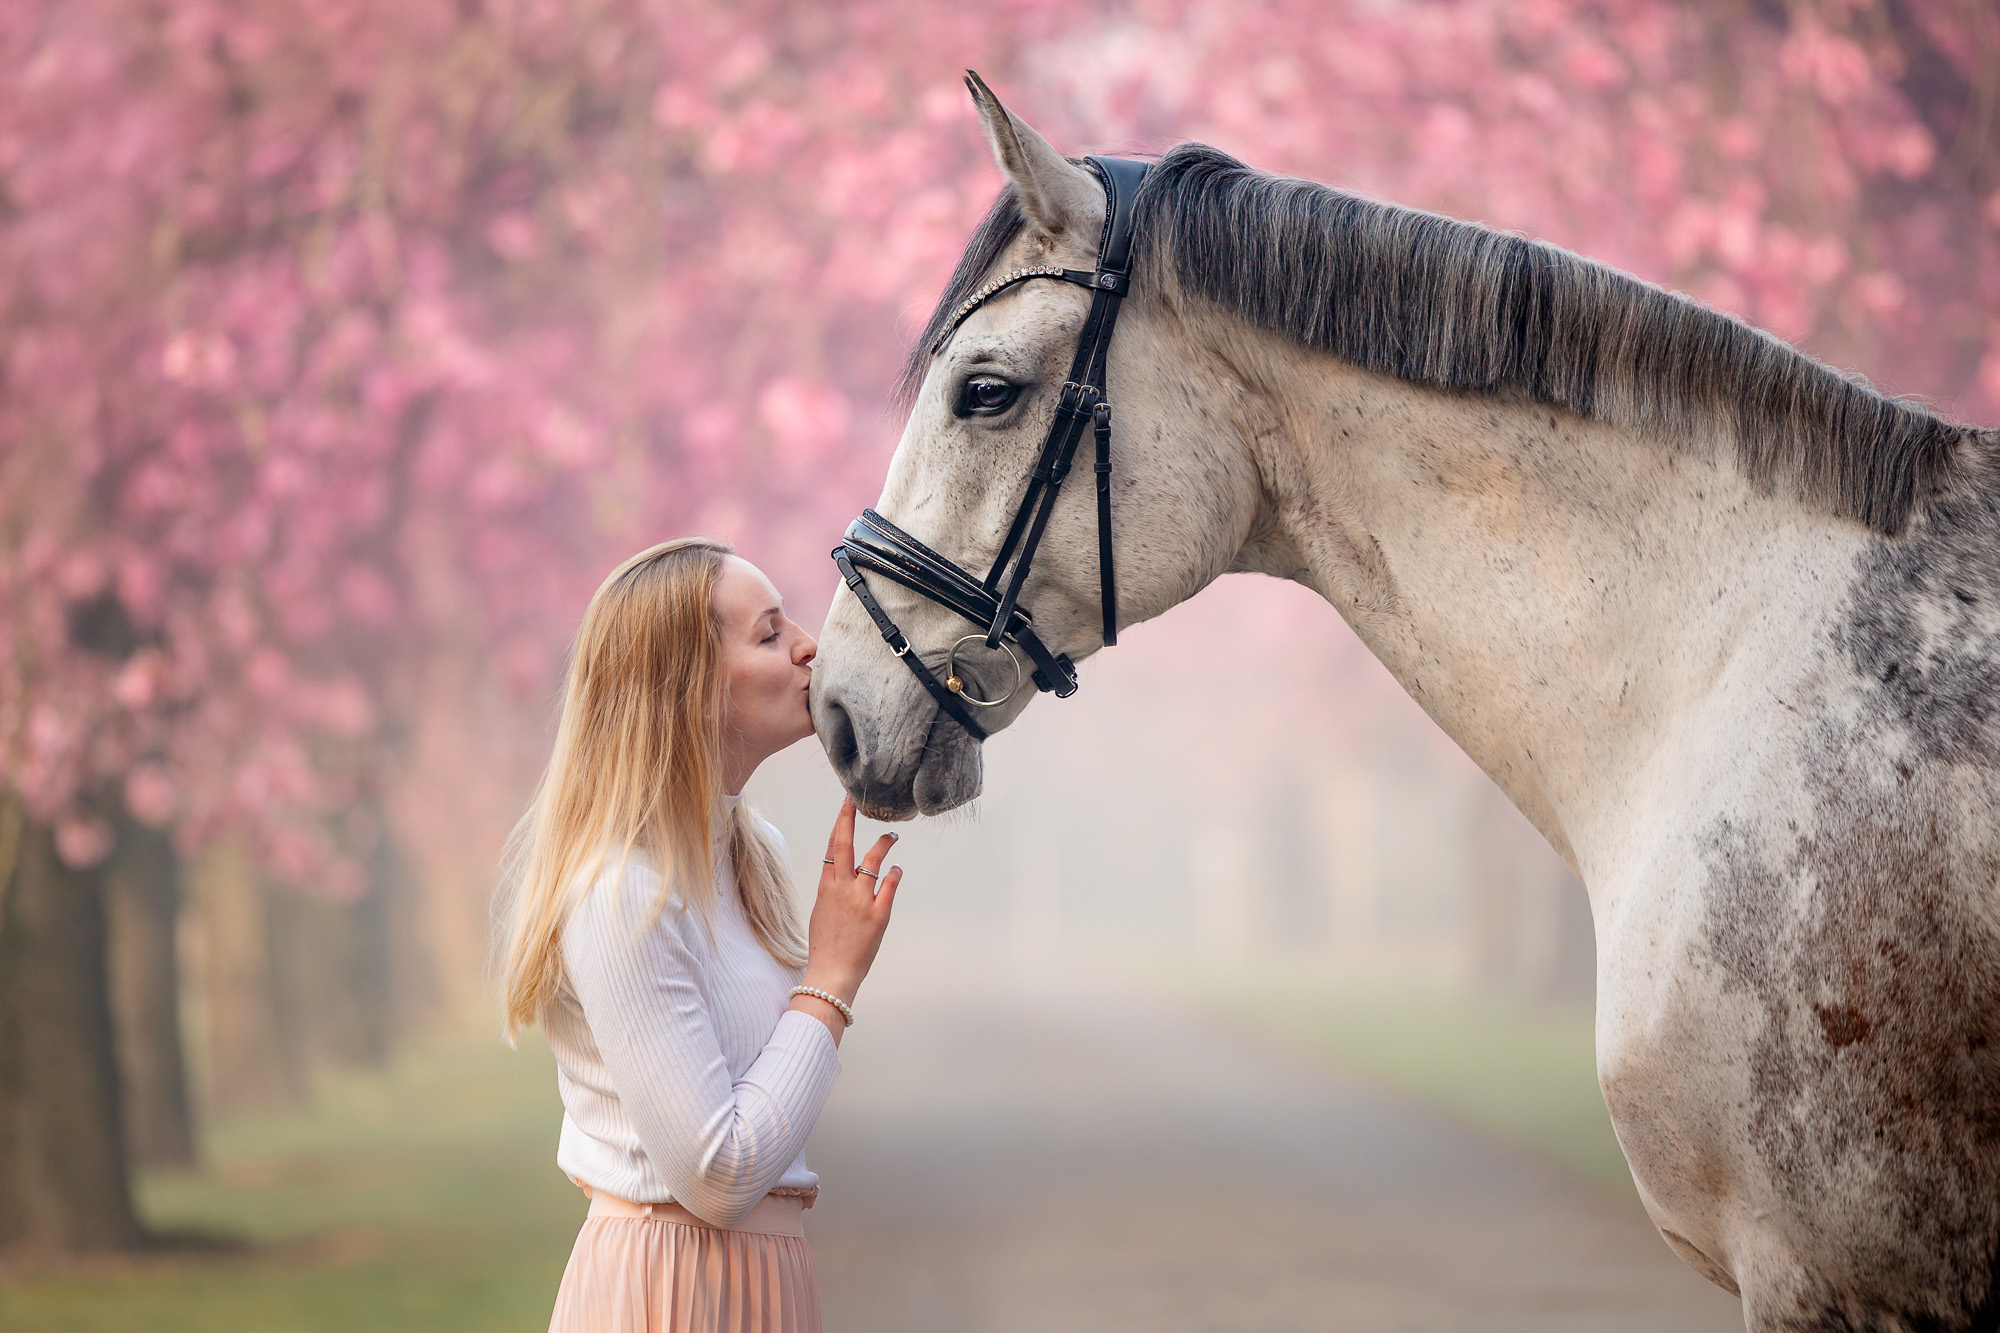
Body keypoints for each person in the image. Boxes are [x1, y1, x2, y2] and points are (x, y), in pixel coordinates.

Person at [499, 537, 900, 1333]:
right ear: (685, 689)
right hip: (668, 1292)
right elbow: (716, 1174)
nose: (808, 644)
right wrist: (830, 982)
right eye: (767, 632)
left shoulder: (755, 855)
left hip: (768, 1287)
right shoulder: (623, 895)